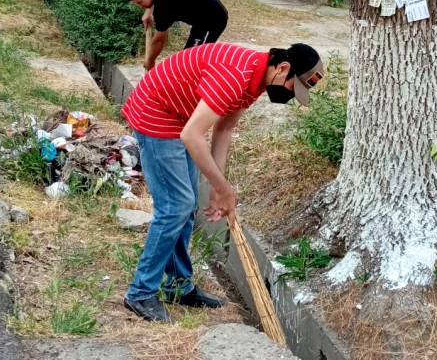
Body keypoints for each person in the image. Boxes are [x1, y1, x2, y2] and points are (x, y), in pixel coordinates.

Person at [121, 42, 324, 323]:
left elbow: (224, 128)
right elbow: (192, 135)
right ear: (283, 68)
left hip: (181, 117)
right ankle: (141, 293)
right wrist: (223, 189)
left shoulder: (256, 80)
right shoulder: (235, 77)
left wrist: (219, 187)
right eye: (293, 87)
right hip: (156, 113)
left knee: (187, 206)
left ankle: (178, 286)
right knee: (175, 207)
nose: (290, 96)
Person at [125, 0, 229, 71]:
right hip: (201, 19)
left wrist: (150, 61)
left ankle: (213, 75)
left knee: (191, 59)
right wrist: (148, 12)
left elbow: (159, 41)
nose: (140, 6)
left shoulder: (164, 6)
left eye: (140, 2)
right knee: (186, 59)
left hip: (213, 19)